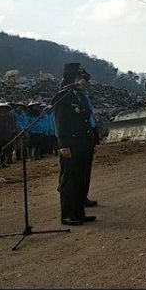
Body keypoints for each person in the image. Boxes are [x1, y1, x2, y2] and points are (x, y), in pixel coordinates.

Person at [52, 63, 99, 225]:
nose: (82, 81)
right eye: (78, 78)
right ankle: (67, 215)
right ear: (70, 79)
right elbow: (60, 123)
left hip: (84, 143)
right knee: (69, 180)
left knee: (81, 178)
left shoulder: (80, 96)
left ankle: (79, 213)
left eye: (82, 78)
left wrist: (92, 140)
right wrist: (63, 145)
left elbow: (87, 121)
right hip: (70, 144)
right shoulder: (62, 96)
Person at [0, 103, 17, 168]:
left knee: (6, 150)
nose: (4, 109)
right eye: (2, 108)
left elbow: (12, 125)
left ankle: (4, 163)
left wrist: (13, 130)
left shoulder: (9, 117)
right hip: (0, 136)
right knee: (0, 150)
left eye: (5, 108)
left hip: (7, 135)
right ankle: (0, 163)